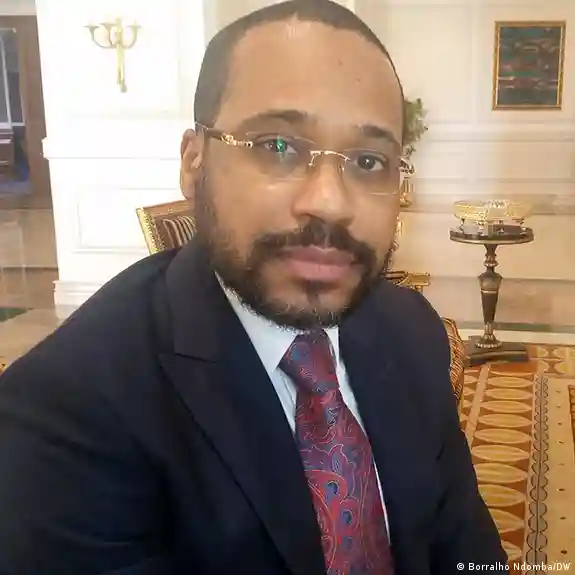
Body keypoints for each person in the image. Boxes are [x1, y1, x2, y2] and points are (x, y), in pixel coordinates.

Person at [0, 1, 507, 573]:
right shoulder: (67, 413)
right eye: (278, 146)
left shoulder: (411, 329)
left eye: (369, 161)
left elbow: (467, 550)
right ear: (194, 162)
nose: (330, 203)